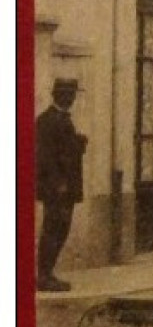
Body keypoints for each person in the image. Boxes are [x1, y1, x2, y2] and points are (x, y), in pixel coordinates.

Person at [36, 79, 88, 291]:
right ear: (59, 95)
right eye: (69, 94)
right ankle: (44, 275)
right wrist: (58, 184)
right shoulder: (48, 121)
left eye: (73, 94)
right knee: (54, 229)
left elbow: (64, 150)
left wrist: (78, 142)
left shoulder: (60, 119)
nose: (72, 98)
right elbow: (45, 157)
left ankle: (47, 273)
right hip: (58, 189)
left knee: (60, 229)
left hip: (65, 188)